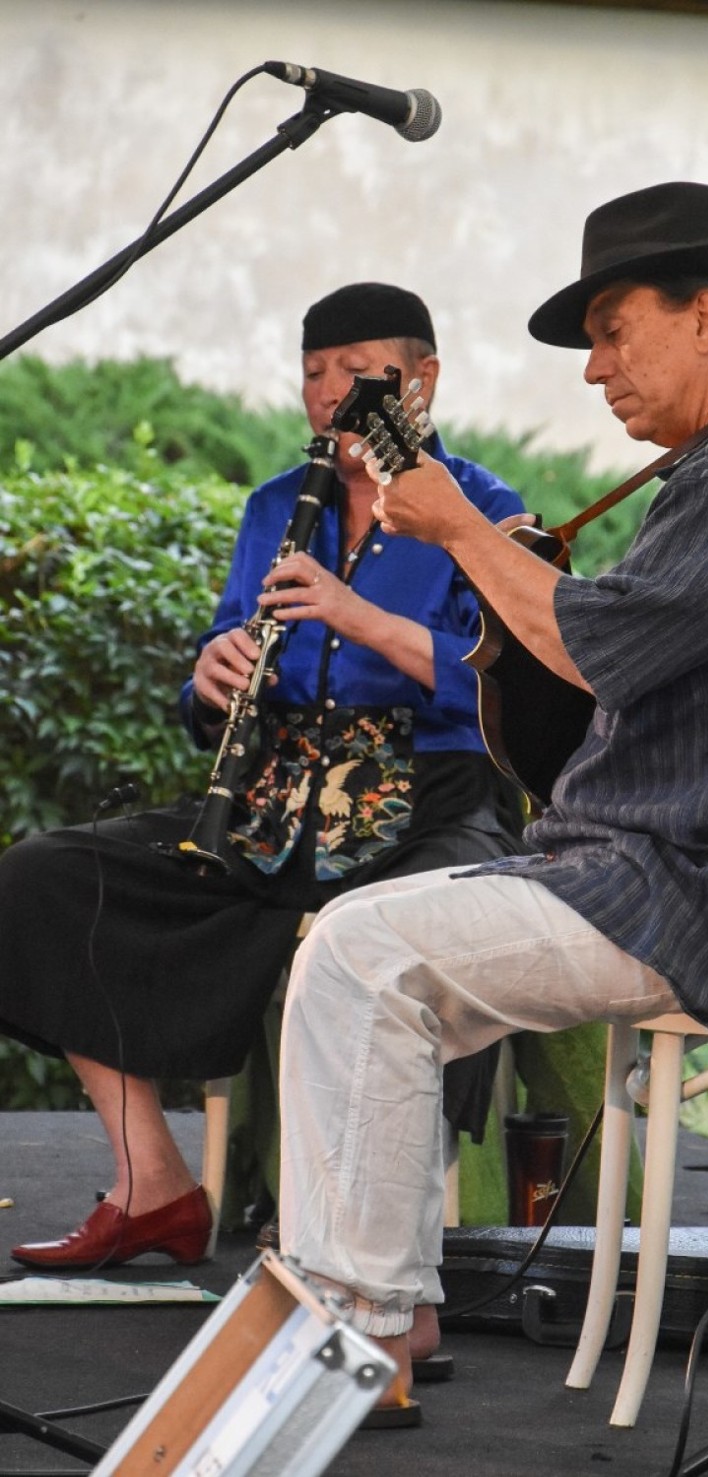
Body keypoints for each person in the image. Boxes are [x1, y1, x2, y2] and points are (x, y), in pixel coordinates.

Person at [274, 182, 708, 1421]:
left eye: (610, 329)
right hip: (664, 872)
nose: (594, 370)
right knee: (354, 947)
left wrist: (465, 534)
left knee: (365, 954)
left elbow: (606, 655)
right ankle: (383, 1301)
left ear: (704, 315)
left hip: (703, 890)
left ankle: (360, 1329)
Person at [0, 282, 527, 1275]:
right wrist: (208, 676)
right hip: (277, 803)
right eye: (313, 373)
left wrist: (355, 613)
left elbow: (506, 687)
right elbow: (227, 655)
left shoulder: (488, 512)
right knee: (39, 881)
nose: (328, 394)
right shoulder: (278, 507)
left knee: (377, 944)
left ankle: (354, 1249)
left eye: (354, 370)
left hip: (425, 799)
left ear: (423, 379)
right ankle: (150, 1182)